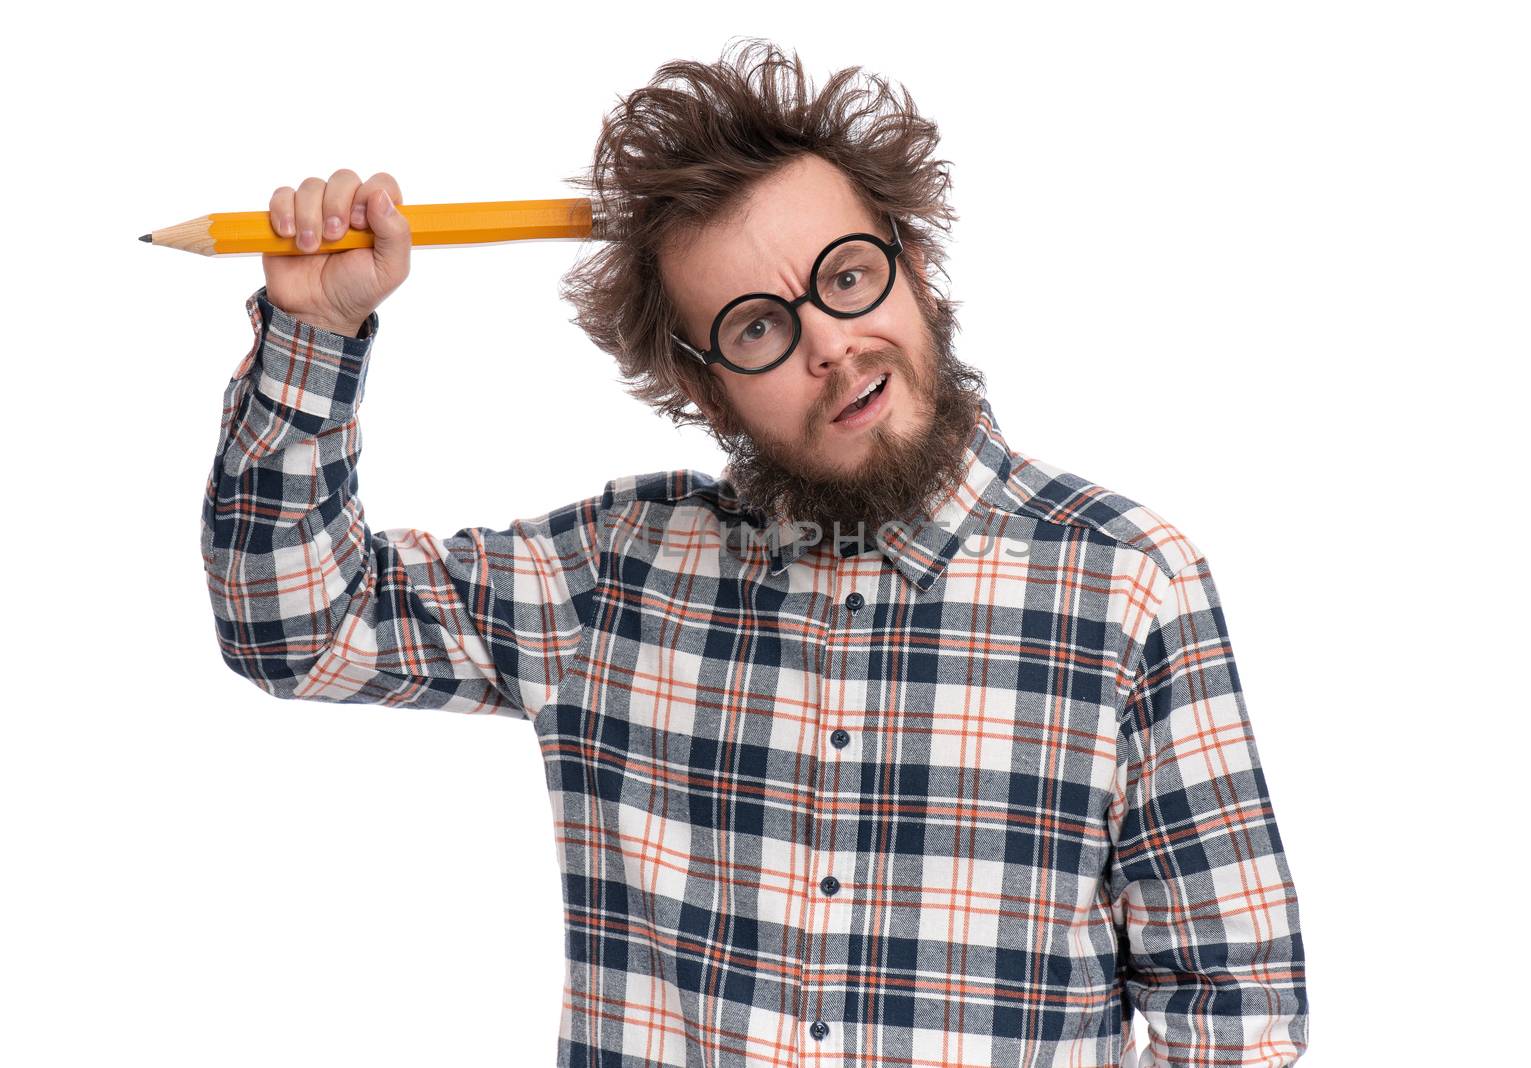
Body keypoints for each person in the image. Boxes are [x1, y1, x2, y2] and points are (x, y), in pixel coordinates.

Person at [201, 38, 1309, 1068]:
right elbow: (298, 627)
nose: (830, 345)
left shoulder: (1125, 582)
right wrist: (317, 333)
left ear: (912, 263)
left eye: (846, 276)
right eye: (757, 328)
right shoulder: (611, 576)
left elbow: (1234, 1008)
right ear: (702, 384)